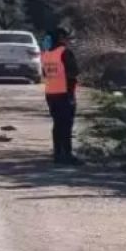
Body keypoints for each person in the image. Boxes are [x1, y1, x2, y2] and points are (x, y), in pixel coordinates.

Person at [42, 26, 81, 165]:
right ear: (61, 38)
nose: (68, 41)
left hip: (51, 94)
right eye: (66, 38)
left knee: (57, 124)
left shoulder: (47, 54)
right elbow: (74, 72)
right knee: (66, 125)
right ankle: (67, 154)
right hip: (65, 93)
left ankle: (58, 153)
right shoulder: (65, 52)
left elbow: (45, 73)